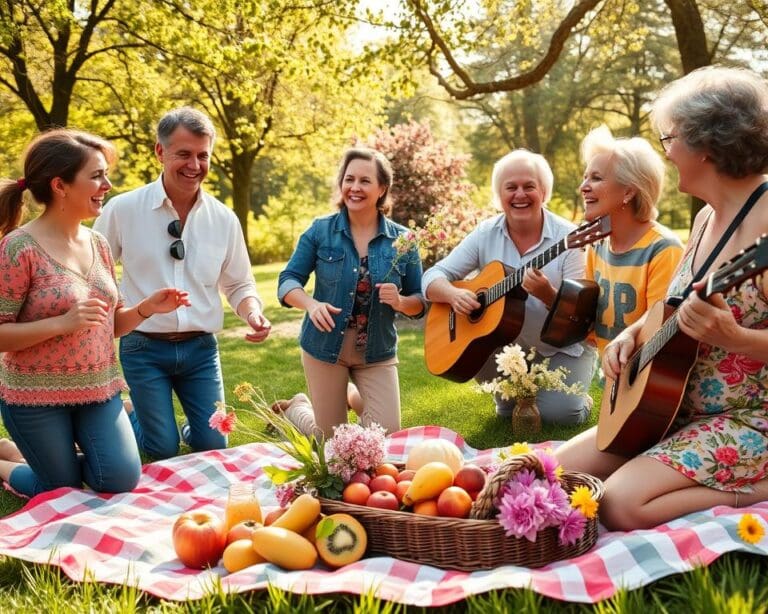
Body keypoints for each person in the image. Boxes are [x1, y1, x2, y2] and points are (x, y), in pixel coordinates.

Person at [556, 66, 768, 530]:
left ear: (707, 145)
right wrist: (629, 337)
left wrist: (736, 338)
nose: (666, 152)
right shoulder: (704, 220)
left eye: (669, 138)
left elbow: (736, 336)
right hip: (667, 408)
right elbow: (670, 309)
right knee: (555, 474)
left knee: (617, 505)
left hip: (750, 421)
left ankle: (752, 493)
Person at [0, 129, 190, 497]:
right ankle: (6, 461)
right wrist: (61, 323)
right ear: (61, 186)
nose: (107, 184)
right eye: (97, 175)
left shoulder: (99, 243)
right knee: (62, 490)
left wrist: (147, 309)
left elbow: (112, 324)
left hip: (98, 390)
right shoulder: (17, 248)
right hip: (33, 396)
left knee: (120, 479)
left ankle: (24, 453)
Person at [93, 107, 271, 460]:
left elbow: (239, 284)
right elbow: (93, 272)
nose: (195, 165)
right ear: (160, 152)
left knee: (213, 445)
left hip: (200, 351)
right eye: (184, 154)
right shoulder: (122, 209)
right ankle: (135, 416)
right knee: (162, 449)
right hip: (143, 349)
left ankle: (185, 427)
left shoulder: (224, 219)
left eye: (203, 155)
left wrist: (253, 313)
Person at [422, 149, 597, 425]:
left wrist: (549, 295)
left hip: (559, 348)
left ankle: (578, 402)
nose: (520, 194)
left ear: (543, 192)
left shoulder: (571, 239)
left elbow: (581, 319)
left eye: (529, 186)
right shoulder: (485, 233)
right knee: (507, 414)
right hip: (504, 349)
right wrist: (453, 295)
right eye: (510, 187)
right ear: (499, 195)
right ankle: (520, 394)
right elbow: (433, 276)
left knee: (560, 415)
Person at [275, 147, 425, 438]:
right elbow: (287, 280)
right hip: (325, 348)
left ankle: (349, 395)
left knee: (386, 437)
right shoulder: (320, 231)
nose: (355, 188)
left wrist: (402, 301)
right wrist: (311, 304)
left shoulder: (404, 241)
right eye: (349, 179)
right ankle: (296, 409)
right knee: (331, 446)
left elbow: (420, 301)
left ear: (382, 188)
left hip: (376, 351)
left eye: (365, 181)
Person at [579, 125, 683, 356]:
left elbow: (660, 327)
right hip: (610, 376)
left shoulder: (663, 249)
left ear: (628, 192)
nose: (583, 187)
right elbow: (589, 326)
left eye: (596, 178)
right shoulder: (596, 245)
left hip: (644, 379)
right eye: (585, 177)